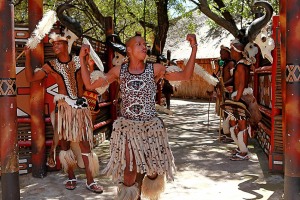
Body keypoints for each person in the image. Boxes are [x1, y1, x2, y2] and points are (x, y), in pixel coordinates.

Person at [79, 34, 197, 199]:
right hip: (128, 128)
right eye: (139, 44)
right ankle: (131, 196)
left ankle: (150, 184)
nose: (144, 47)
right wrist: (82, 59)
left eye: (145, 44)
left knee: (153, 170)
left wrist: (194, 49)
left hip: (151, 127)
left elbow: (185, 76)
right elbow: (90, 85)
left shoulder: (155, 69)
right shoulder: (119, 71)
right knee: (130, 170)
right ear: (129, 50)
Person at [24, 33, 104, 193]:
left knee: (85, 144)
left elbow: (90, 80)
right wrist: (27, 56)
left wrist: (87, 58)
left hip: (81, 107)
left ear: (66, 45)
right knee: (65, 144)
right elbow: (31, 78)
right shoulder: (51, 65)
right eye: (53, 45)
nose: (55, 47)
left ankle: (90, 180)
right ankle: (71, 177)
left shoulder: (78, 60)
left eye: (58, 44)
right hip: (64, 108)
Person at [226, 40, 261, 161]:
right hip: (238, 96)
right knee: (233, 122)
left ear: (237, 52)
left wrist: (237, 97)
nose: (230, 52)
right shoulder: (240, 64)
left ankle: (244, 152)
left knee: (241, 124)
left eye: (231, 50)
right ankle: (240, 148)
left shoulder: (241, 66)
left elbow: (241, 84)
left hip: (240, 97)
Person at [215, 45, 235, 143]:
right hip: (225, 91)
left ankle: (231, 134)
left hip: (230, 91)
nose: (221, 55)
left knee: (230, 112)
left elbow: (234, 77)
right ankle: (226, 130)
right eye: (220, 53)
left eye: (222, 53)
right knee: (225, 112)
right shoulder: (224, 65)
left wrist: (224, 84)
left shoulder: (231, 64)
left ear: (228, 53)